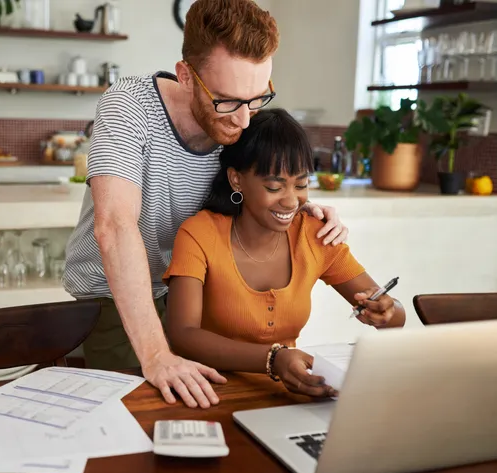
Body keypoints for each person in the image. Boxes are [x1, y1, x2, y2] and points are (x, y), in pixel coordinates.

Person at [63, 0, 350, 409]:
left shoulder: (240, 116)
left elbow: (260, 182)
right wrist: (157, 356)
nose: (244, 120)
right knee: (141, 414)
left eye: (257, 98)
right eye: (228, 101)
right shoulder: (129, 106)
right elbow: (114, 226)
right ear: (186, 76)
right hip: (113, 294)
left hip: (193, 292)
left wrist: (301, 205)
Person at [162, 108, 406, 398]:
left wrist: (388, 311)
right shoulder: (199, 233)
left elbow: (392, 312)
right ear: (236, 180)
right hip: (204, 390)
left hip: (286, 393)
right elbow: (182, 335)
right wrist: (273, 359)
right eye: (274, 186)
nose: (291, 201)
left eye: (301, 184)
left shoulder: (315, 234)